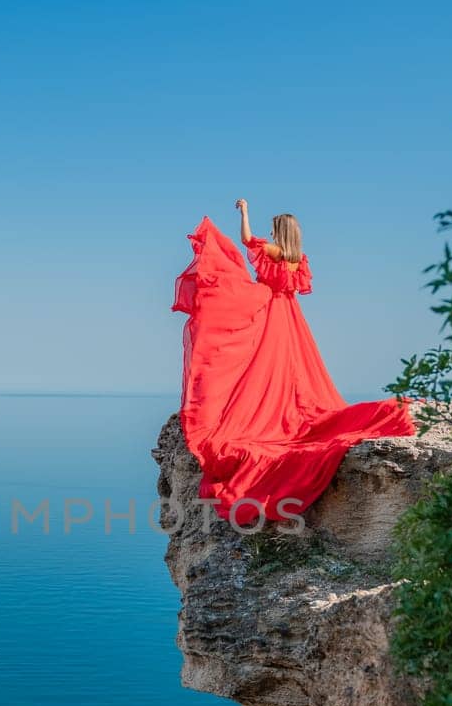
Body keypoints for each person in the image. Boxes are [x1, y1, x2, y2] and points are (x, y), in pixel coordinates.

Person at [171, 199, 414, 525]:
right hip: (291, 317)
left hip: (271, 312)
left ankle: (264, 410)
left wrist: (244, 212)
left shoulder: (273, 251)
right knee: (292, 368)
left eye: (273, 229)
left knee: (257, 359)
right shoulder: (298, 260)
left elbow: (246, 240)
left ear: (279, 232)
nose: (269, 233)